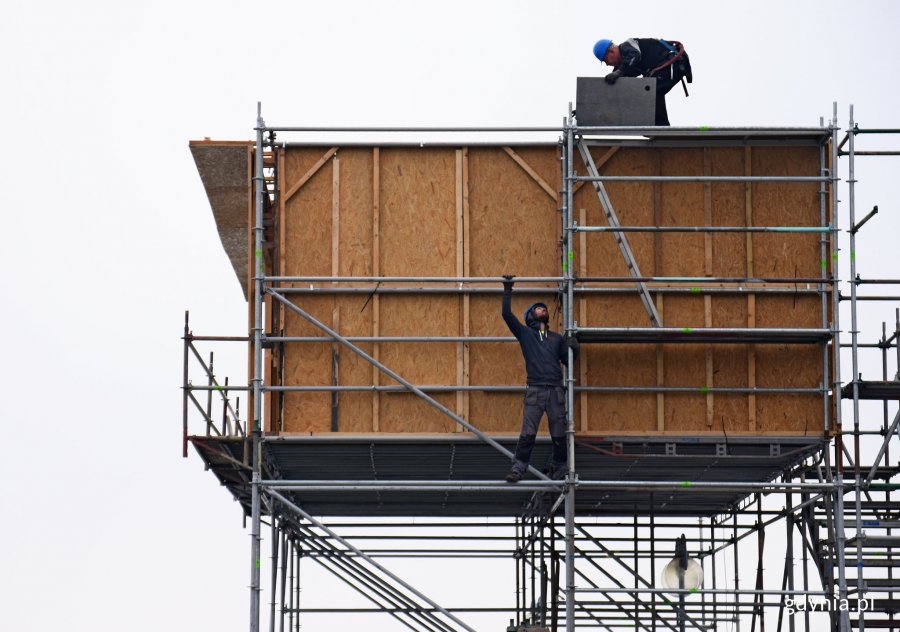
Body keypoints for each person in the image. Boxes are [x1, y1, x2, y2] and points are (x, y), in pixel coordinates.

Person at [501, 275, 579, 482]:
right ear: (530, 316)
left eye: (544, 308)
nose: (543, 309)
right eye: (538, 308)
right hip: (535, 389)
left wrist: (573, 348)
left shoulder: (556, 338)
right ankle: (518, 468)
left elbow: (568, 361)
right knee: (528, 433)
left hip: (555, 390)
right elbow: (506, 315)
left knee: (559, 434)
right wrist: (508, 289)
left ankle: (560, 468)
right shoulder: (526, 334)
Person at [593, 38, 692, 126]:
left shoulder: (627, 45)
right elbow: (612, 91)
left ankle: (662, 128)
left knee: (652, 90)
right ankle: (656, 127)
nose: (607, 64)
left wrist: (619, 72)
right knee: (646, 91)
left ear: (611, 52)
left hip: (674, 61)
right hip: (664, 67)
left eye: (606, 61)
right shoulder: (622, 67)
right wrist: (588, 108)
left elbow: (635, 55)